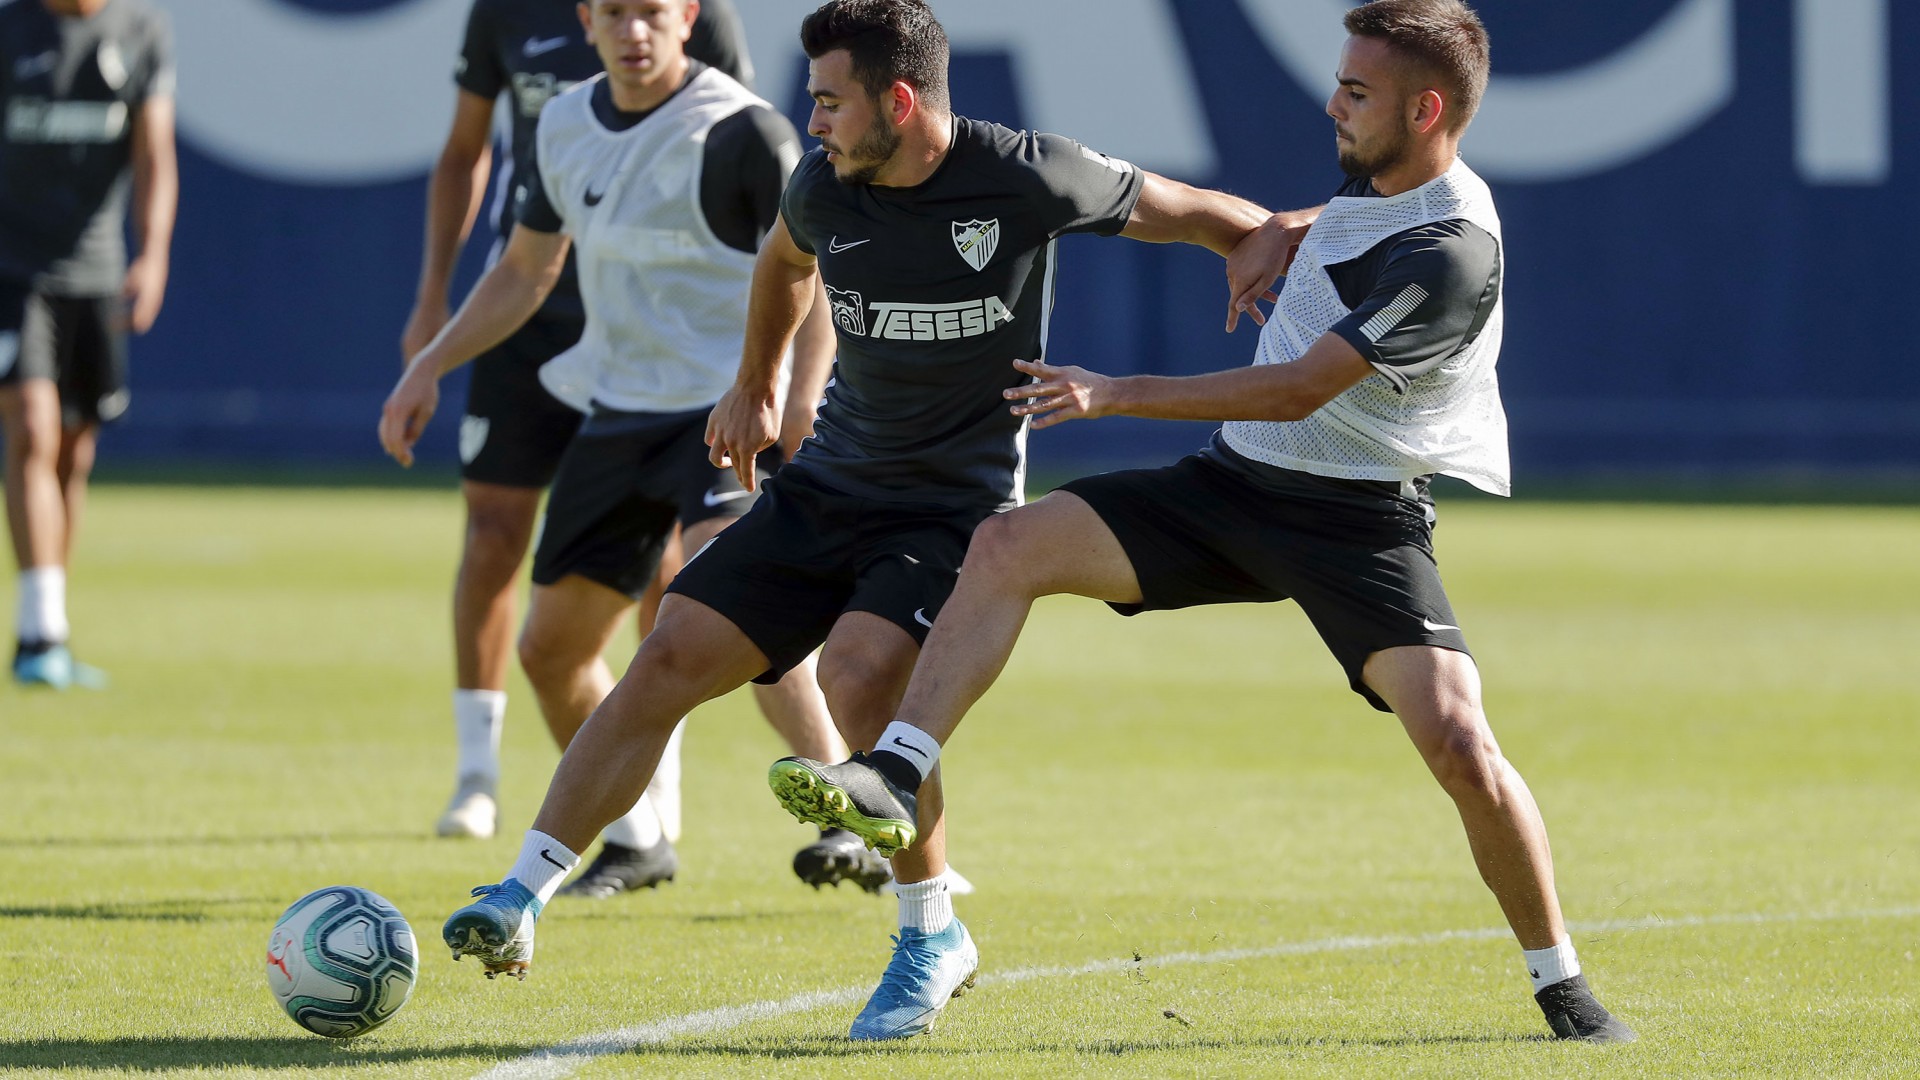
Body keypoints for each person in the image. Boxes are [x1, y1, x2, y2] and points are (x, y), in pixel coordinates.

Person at [769, 0, 1639, 1044]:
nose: (1333, 104)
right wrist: (1281, 229)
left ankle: (1561, 983)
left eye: (1356, 92)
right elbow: (1346, 221)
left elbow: (1300, 389)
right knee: (1005, 545)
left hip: (1358, 523)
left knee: (1459, 740)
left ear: (1426, 112)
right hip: (1235, 489)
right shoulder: (1380, 177)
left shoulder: (1452, 253)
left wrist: (1115, 392)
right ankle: (896, 768)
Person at [437, 0, 1295, 1041]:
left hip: (952, 508)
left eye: (831, 101)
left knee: (857, 679)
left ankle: (932, 934)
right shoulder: (820, 182)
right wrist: (756, 383)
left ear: (900, 101)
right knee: (668, 655)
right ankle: (520, 896)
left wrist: (1271, 241)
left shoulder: (1030, 173)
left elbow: (1200, 212)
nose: (813, 120)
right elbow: (782, 265)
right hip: (827, 485)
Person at [383, 0, 887, 895]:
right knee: (551, 650)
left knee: (741, 612)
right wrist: (430, 363)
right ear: (587, 20)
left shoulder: (743, 131)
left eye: (653, 11)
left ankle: (853, 818)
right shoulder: (562, 124)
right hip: (618, 410)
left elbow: (815, 268)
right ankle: (637, 838)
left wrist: (795, 392)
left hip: (724, 413)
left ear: (689, 16)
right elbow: (525, 270)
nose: (633, 31)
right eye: (614, 12)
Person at [0, 0, 174, 689]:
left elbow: (155, 153)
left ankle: (51, 621)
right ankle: (39, 633)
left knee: (75, 449)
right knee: (31, 428)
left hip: (95, 272)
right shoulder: (10, 30)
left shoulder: (140, 32)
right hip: (12, 272)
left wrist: (153, 253)